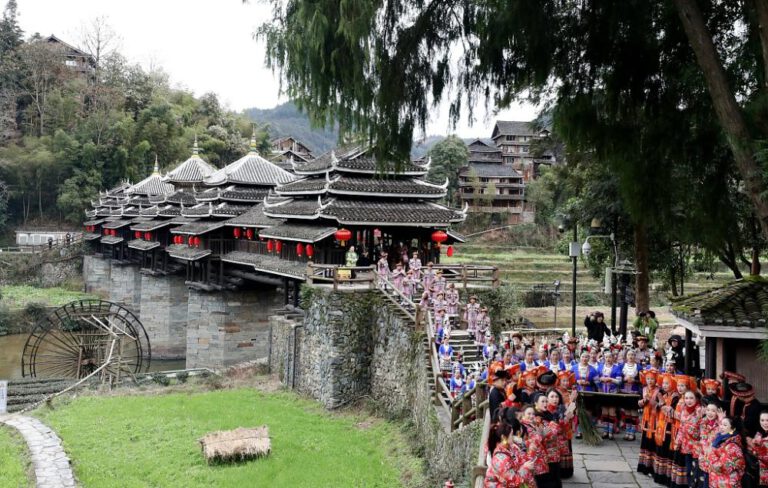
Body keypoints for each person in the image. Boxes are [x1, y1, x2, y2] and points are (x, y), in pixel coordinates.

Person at [483, 416, 537, 488]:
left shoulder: (512, 447)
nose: (513, 437)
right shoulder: (500, 459)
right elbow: (512, 481)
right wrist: (525, 468)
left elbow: (523, 459)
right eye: (511, 434)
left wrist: (531, 451)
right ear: (503, 437)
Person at [705, 415, 745, 487]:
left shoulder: (732, 446)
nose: (721, 427)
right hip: (717, 481)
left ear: (733, 429)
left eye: (725, 425)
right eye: (721, 424)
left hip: (727, 483)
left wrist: (709, 456)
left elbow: (721, 467)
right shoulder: (720, 438)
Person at [653, 374, 679, 485]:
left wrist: (661, 403)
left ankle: (666, 478)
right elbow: (656, 407)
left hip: (669, 427)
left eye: (667, 383)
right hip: (661, 425)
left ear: (673, 384)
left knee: (667, 451)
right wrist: (660, 404)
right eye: (663, 383)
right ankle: (659, 476)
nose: (664, 385)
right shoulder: (664, 394)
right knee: (660, 449)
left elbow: (669, 411)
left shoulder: (675, 397)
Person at [671, 390, 701, 488]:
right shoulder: (684, 409)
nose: (689, 400)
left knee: (696, 472)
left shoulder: (700, 411)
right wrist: (677, 442)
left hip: (697, 448)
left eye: (691, 398)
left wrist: (689, 428)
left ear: (696, 399)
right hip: (686, 447)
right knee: (688, 471)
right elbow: (681, 428)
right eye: (686, 398)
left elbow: (701, 431)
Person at [533, 392, 563, 488]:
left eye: (546, 401)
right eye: (542, 401)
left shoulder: (548, 414)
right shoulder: (536, 418)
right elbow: (548, 434)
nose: (545, 404)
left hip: (554, 454)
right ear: (536, 403)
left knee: (556, 479)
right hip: (545, 456)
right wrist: (555, 424)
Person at [638, 369, 660, 476]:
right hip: (646, 419)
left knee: (653, 442)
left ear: (656, 379)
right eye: (648, 379)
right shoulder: (644, 389)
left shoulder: (659, 391)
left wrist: (651, 401)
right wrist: (644, 401)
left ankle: (652, 468)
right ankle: (644, 466)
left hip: (655, 420)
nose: (650, 381)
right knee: (645, 441)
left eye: (652, 379)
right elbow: (639, 403)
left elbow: (661, 405)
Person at [595, 350, 622, 440]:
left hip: (613, 392)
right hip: (603, 392)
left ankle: (611, 431)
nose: (608, 359)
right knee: (604, 412)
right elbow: (596, 379)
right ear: (604, 358)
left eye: (610, 357)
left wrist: (610, 379)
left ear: (613, 358)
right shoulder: (600, 367)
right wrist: (601, 380)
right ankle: (605, 431)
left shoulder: (616, 368)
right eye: (606, 357)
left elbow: (619, 381)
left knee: (612, 411)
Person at [695, 401, 721, 488]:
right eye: (708, 410)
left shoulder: (720, 424)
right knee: (704, 478)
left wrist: (721, 421)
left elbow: (725, 434)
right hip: (703, 456)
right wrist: (698, 417)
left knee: (713, 481)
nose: (710, 413)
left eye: (713, 411)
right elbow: (694, 433)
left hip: (715, 458)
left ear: (718, 412)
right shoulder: (702, 422)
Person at [747, 411, 768, 488]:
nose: (765, 423)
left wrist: (756, 447)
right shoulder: (759, 433)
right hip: (760, 475)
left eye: (767, 420)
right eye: (762, 420)